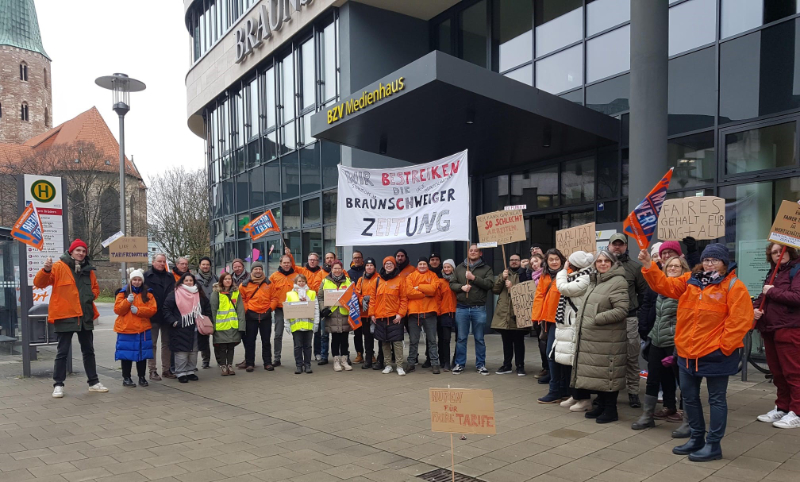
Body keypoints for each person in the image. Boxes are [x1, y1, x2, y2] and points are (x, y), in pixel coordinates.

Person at [640, 243, 751, 462]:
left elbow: (741, 321)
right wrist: (648, 266)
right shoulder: (690, 280)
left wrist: (723, 346)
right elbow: (664, 285)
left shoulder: (734, 286)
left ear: (724, 263)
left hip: (716, 353)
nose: (709, 264)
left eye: (715, 260)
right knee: (689, 398)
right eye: (707, 259)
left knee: (716, 400)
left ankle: (713, 445)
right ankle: (697, 438)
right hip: (686, 352)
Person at [34, 239, 109, 398]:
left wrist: (90, 296)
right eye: (78, 250)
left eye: (83, 251)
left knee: (89, 351)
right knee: (62, 352)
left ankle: (93, 382)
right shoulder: (58, 267)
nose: (81, 253)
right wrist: (46, 270)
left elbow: (95, 288)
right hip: (65, 316)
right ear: (71, 251)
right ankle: (58, 384)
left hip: (85, 316)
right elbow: (40, 283)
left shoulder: (89, 270)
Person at [571, 249, 630, 423]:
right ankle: (602, 406)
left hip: (608, 338)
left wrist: (596, 318)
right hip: (596, 338)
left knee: (608, 374)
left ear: (613, 263)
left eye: (606, 261)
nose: (602, 264)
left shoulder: (618, 281)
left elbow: (621, 310)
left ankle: (611, 410)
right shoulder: (595, 280)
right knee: (599, 374)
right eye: (599, 261)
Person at [632, 256, 690, 430]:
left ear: (683, 269)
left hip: (675, 341)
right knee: (653, 379)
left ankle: (688, 420)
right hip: (657, 339)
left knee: (683, 380)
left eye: (677, 266)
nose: (672, 268)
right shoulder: (660, 287)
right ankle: (647, 415)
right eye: (669, 266)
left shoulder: (685, 288)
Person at [753, 243, 800, 429]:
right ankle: (783, 406)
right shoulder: (774, 272)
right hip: (772, 328)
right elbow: (763, 296)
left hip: (789, 327)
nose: (778, 254)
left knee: (793, 372)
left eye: (781, 251)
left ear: (789, 251)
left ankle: (797, 411)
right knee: (778, 372)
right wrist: (755, 308)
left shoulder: (796, 270)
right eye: (774, 252)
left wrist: (771, 291)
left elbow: (797, 297)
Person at [607, 233, 648, 408]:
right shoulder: (602, 265)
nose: (617, 247)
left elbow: (644, 293)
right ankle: (610, 392)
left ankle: (633, 392)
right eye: (614, 244)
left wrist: (638, 313)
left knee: (631, 358)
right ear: (608, 246)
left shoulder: (635, 268)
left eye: (620, 244)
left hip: (629, 318)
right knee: (610, 358)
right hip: (607, 320)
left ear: (625, 246)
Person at [554, 251, 595, 412]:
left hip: (575, 325)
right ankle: (575, 395)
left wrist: (563, 271)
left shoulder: (585, 277)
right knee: (569, 363)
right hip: (568, 325)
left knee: (577, 364)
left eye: (570, 262)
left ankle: (584, 398)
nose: (568, 264)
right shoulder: (578, 275)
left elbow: (564, 288)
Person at [450, 244, 494, 375]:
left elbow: (489, 284)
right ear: (468, 252)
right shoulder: (459, 268)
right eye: (471, 250)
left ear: (480, 253)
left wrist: (474, 278)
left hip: (478, 308)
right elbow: (452, 283)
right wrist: (461, 287)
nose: (473, 252)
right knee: (461, 338)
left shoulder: (486, 268)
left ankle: (481, 364)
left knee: (479, 338)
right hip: (462, 308)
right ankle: (459, 363)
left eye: (476, 251)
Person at [163, 273, 212, 383]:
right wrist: (174, 322)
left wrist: (207, 320)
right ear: (182, 282)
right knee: (181, 352)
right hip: (180, 328)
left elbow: (207, 308)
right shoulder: (174, 294)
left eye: (191, 280)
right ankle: (180, 373)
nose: (189, 282)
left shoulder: (199, 294)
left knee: (194, 351)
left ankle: (190, 371)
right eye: (186, 280)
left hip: (196, 328)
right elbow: (166, 309)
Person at [532, 248, 567, 403]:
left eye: (556, 259)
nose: (554, 262)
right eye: (551, 259)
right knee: (551, 354)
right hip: (549, 321)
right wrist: (536, 317)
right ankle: (558, 389)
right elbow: (539, 296)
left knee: (559, 356)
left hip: (565, 321)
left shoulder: (569, 273)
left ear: (562, 260)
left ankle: (559, 390)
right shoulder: (545, 276)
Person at [270, 248, 314, 367]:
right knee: (278, 334)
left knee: (298, 334)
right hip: (280, 308)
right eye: (284, 262)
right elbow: (270, 293)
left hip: (296, 309)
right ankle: (277, 358)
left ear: (291, 263)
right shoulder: (274, 276)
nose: (286, 264)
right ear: (280, 263)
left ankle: (301, 359)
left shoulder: (297, 276)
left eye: (288, 262)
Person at [113, 270, 158, 387]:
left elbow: (152, 310)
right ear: (130, 281)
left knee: (142, 355)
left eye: (139, 280)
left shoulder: (148, 294)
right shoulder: (123, 293)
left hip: (142, 329)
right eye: (134, 279)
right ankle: (126, 378)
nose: (137, 282)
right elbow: (118, 310)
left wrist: (138, 311)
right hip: (126, 329)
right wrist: (127, 302)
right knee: (126, 355)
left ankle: (142, 377)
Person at [491, 253, 527, 376]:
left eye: (516, 260)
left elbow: (527, 290)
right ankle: (507, 365)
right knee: (506, 341)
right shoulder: (504, 274)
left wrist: (513, 287)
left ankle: (520, 366)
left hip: (518, 313)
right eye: (512, 260)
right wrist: (502, 278)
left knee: (518, 342)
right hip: (504, 313)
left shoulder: (524, 274)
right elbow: (495, 290)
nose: (514, 262)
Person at [238, 261, 278, 372]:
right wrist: (247, 310)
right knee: (250, 341)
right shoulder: (244, 284)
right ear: (252, 271)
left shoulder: (269, 283)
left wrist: (270, 309)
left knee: (266, 341)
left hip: (266, 315)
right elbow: (242, 299)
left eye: (260, 269)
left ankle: (268, 363)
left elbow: (274, 298)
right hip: (251, 316)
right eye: (255, 269)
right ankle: (250, 363)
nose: (258, 271)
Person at [372, 256, 408, 376]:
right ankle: (388, 365)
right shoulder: (378, 280)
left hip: (394, 317)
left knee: (397, 343)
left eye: (391, 263)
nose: (388, 265)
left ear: (394, 265)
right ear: (383, 265)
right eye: (386, 263)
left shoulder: (400, 279)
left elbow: (404, 299)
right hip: (380, 316)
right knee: (384, 342)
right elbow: (372, 299)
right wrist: (372, 313)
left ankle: (399, 366)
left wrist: (400, 314)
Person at [144, 253, 176, 380]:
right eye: (159, 261)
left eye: (164, 261)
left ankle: (166, 370)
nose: (162, 263)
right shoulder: (146, 276)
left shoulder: (170, 276)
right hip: (152, 315)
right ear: (153, 262)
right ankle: (152, 370)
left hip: (167, 314)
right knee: (152, 344)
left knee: (167, 343)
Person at [406, 257, 441, 374]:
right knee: (413, 340)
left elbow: (433, 290)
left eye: (424, 264)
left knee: (432, 340)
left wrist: (419, 287)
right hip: (414, 313)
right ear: (417, 265)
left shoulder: (433, 275)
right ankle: (411, 363)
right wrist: (425, 293)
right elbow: (409, 293)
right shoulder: (410, 276)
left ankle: (435, 363)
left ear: (427, 265)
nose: (422, 266)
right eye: (420, 263)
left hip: (430, 312)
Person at [318, 260, 353, 372]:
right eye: (335, 268)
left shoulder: (348, 281)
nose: (337, 270)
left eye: (339, 268)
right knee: (335, 339)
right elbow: (320, 297)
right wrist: (323, 309)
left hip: (344, 313)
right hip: (332, 313)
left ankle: (344, 360)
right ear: (331, 269)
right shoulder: (325, 281)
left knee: (344, 339)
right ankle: (336, 361)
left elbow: (353, 295)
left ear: (342, 269)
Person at [210, 272, 245, 376]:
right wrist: (213, 326)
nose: (228, 281)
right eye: (225, 279)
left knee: (231, 346)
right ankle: (223, 366)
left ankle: (229, 365)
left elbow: (240, 310)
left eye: (229, 279)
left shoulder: (236, 292)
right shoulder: (216, 293)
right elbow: (213, 310)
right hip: (220, 326)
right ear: (221, 281)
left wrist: (241, 325)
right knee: (222, 347)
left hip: (233, 325)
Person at [285, 274, 320, 374]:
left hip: (308, 325)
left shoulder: (312, 293)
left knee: (308, 346)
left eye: (303, 281)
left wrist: (316, 323)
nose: (301, 283)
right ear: (295, 283)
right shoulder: (290, 294)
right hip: (296, 326)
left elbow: (315, 308)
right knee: (297, 346)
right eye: (299, 281)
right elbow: (287, 310)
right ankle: (299, 365)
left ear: (306, 282)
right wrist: (286, 324)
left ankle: (307, 365)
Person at [356, 258, 380, 370]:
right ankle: (368, 359)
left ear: (374, 267)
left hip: (377, 313)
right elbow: (357, 294)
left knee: (380, 338)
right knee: (367, 338)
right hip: (365, 314)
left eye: (371, 265)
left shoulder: (380, 278)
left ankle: (381, 359)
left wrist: (372, 298)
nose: (369, 267)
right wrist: (362, 300)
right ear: (364, 267)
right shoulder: (361, 280)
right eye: (367, 265)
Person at [195, 256, 217, 369]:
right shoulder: (194, 279)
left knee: (217, 338)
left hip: (215, 311)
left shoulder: (215, 278)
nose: (205, 266)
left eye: (207, 264)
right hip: (202, 312)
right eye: (203, 264)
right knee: (203, 336)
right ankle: (205, 360)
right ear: (200, 266)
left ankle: (220, 360)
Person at [438, 260, 457, 372]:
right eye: (445, 267)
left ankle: (456, 360)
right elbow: (438, 299)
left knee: (459, 339)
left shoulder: (458, 280)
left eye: (449, 267)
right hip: (445, 313)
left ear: (453, 268)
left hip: (457, 311)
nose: (446, 269)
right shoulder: (440, 282)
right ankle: (446, 362)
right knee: (446, 339)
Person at [348, 251, 366, 363]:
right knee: (357, 333)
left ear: (362, 259)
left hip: (366, 307)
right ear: (352, 259)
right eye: (355, 258)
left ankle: (371, 353)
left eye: (359, 257)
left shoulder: (368, 270)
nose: (357, 259)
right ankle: (359, 353)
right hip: (354, 307)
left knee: (369, 333)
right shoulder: (349, 273)